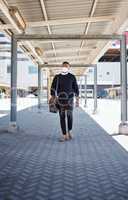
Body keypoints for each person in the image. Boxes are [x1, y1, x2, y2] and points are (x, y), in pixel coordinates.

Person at [50, 61, 79, 142]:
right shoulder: (57, 77)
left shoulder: (72, 77)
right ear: (61, 67)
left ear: (69, 68)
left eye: (66, 66)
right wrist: (53, 96)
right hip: (60, 100)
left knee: (70, 116)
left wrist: (77, 99)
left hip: (70, 99)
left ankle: (69, 131)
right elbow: (53, 87)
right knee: (62, 117)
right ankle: (64, 135)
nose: (64, 67)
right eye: (63, 66)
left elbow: (76, 88)